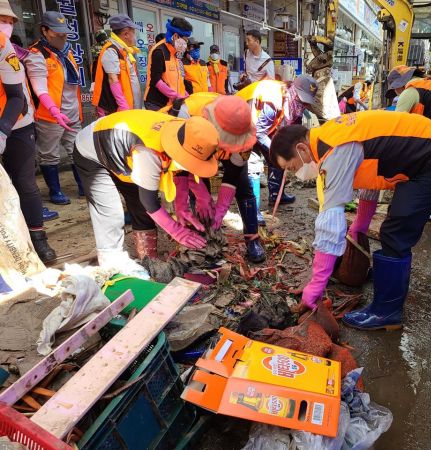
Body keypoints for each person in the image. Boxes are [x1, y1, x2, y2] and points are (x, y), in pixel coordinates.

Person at [270, 111, 431, 330]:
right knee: (396, 227)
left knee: (396, 231)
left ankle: (387, 312)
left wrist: (315, 287)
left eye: (292, 167)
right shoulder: (333, 136)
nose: (296, 173)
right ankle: (388, 279)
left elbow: (330, 225)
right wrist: (360, 226)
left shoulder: (335, 148)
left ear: (301, 149)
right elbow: (370, 182)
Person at [74, 111, 220, 269]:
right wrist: (177, 231)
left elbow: (182, 171)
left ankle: (149, 259)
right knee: (110, 211)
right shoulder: (148, 153)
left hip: (124, 149)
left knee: (138, 203)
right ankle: (111, 262)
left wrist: (182, 208)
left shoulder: (187, 134)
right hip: (92, 150)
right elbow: (149, 202)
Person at [162, 93, 266, 262]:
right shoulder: (186, 114)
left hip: (226, 150)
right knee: (200, 192)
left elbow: (233, 173)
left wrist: (222, 209)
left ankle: (252, 239)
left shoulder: (243, 125)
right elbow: (184, 167)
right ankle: (204, 238)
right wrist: (202, 196)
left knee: (244, 188)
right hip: (196, 152)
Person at [0, 1, 56, 262]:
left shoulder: (5, 49)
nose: (7, 26)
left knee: (24, 182)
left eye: (10, 21)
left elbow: (17, 99)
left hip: (17, 124)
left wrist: (2, 132)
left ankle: (38, 239)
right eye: (3, 20)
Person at [237, 76, 318, 224]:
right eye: (301, 100)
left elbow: (293, 131)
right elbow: (259, 132)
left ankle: (275, 195)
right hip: (243, 125)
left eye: (306, 102)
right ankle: (253, 212)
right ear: (293, 90)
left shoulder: (292, 104)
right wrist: (278, 151)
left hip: (263, 127)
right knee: (254, 165)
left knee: (281, 158)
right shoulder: (273, 100)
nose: (303, 105)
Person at [28, 11, 84, 205]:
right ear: (45, 31)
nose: (62, 35)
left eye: (64, 32)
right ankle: (55, 191)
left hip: (72, 113)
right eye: (57, 32)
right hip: (49, 115)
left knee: (77, 149)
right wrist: (54, 110)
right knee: (49, 153)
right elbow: (40, 88)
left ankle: (83, 185)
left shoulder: (67, 52)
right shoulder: (36, 55)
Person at [10, 34, 59, 223]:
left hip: (25, 122)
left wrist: (53, 110)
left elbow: (37, 88)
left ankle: (32, 213)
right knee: (20, 176)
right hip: (15, 123)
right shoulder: (36, 54)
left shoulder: (24, 59)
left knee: (26, 176)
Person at [92, 14, 143, 117]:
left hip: (129, 109)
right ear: (125, 34)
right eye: (134, 33)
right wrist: (123, 105)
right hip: (117, 110)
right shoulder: (111, 50)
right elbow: (112, 78)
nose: (135, 36)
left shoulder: (124, 50)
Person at [144, 17, 192, 110]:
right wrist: (175, 96)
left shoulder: (175, 52)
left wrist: (184, 94)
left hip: (172, 102)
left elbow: (177, 79)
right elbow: (156, 80)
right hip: (157, 104)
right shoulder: (159, 51)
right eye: (185, 40)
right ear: (175, 36)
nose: (186, 43)